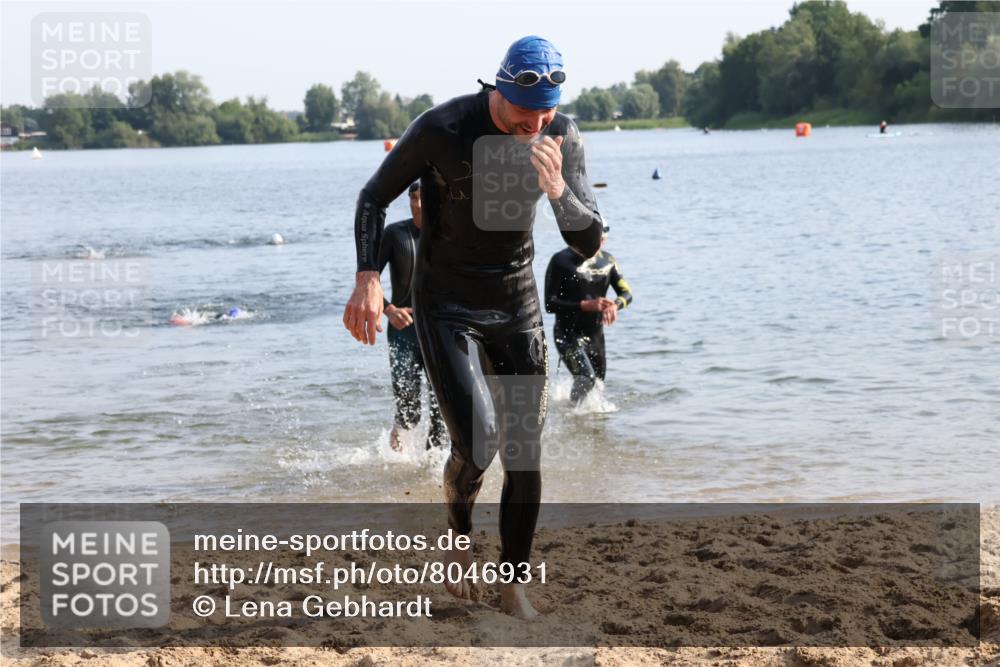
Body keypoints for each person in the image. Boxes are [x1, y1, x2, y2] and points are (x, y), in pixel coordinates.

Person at [342, 35, 604, 619]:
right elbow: (372, 197)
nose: (532, 124)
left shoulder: (562, 135)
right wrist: (368, 276)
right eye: (521, 112)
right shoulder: (444, 127)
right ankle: (459, 539)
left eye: (544, 114)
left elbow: (588, 242)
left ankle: (513, 583)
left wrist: (559, 191)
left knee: (525, 453)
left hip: (517, 306)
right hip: (448, 305)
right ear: (498, 91)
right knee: (478, 442)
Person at [377, 182, 447, 451]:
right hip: (403, 331)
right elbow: (368, 280)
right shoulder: (395, 234)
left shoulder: (447, 236)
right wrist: (389, 309)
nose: (418, 204)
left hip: (438, 331)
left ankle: (432, 468)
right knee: (409, 408)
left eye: (424, 198)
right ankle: (395, 461)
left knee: (442, 408)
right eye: (414, 198)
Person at [544, 224, 632, 404]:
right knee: (587, 378)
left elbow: (627, 294)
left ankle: (590, 426)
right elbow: (549, 303)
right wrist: (585, 305)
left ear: (604, 239)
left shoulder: (609, 261)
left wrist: (615, 306)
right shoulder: (560, 261)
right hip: (566, 335)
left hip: (595, 336)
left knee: (598, 385)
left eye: (600, 241)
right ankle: (572, 416)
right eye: (591, 240)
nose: (595, 245)